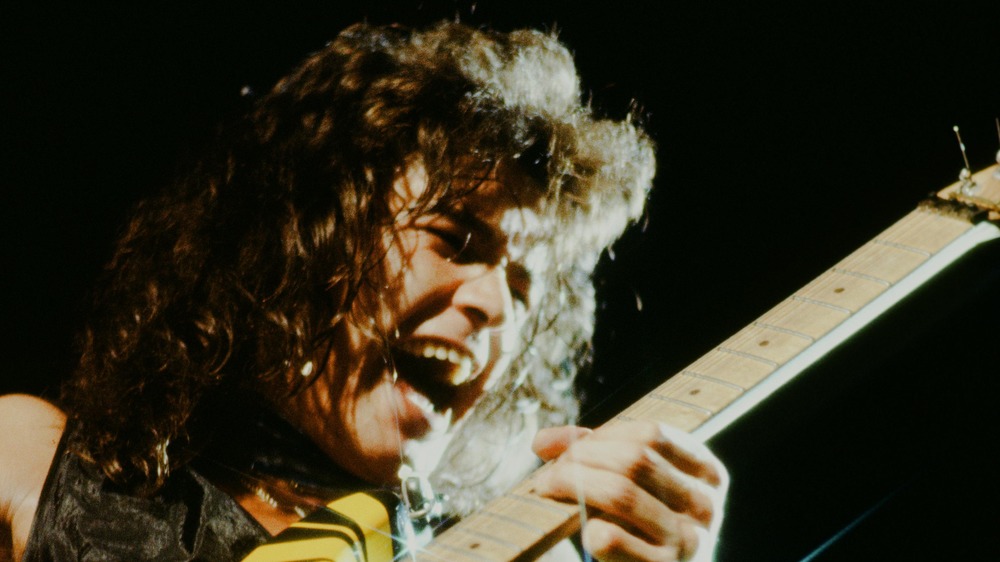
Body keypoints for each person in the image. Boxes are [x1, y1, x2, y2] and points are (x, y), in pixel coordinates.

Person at [0, 21, 727, 561]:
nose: (498, 308)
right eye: (455, 240)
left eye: (523, 285)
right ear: (306, 233)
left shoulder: (517, 552)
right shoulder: (33, 462)